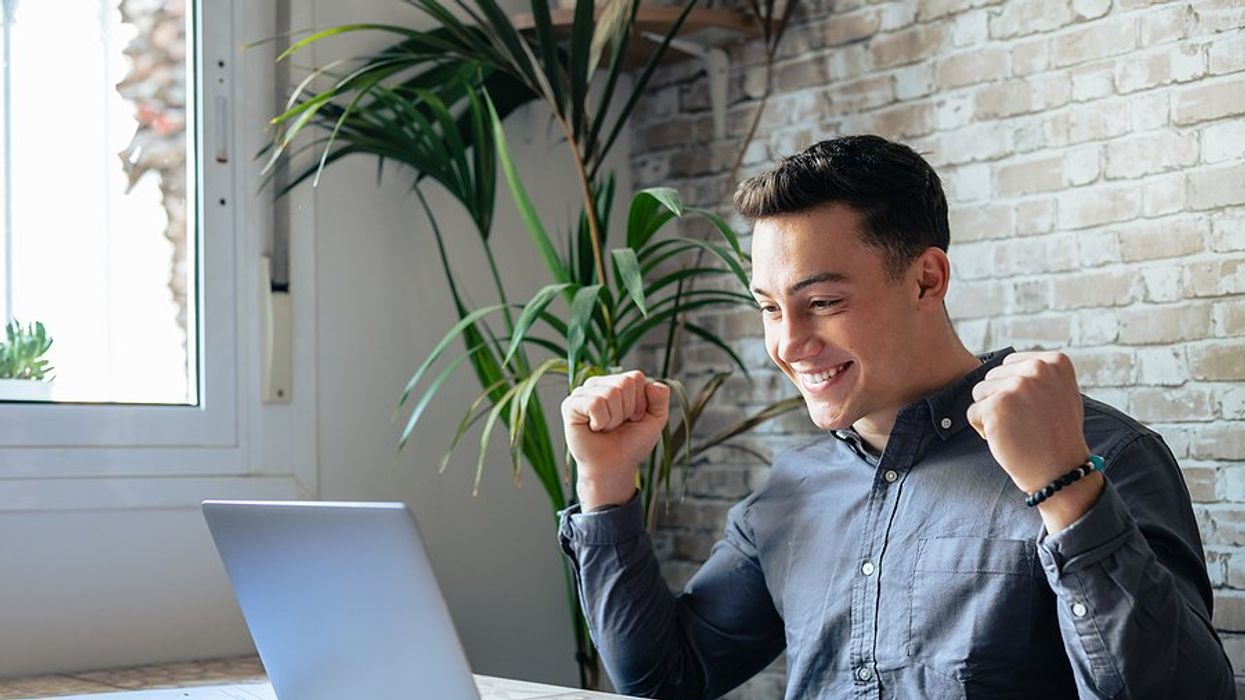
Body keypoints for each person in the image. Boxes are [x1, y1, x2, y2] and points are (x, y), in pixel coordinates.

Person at [556, 135, 1235, 699]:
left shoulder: (1100, 453)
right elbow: (668, 678)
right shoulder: (793, 488)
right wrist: (605, 485)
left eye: (822, 302)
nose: (788, 343)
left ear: (926, 280)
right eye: (769, 308)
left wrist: (1065, 488)